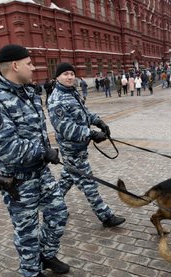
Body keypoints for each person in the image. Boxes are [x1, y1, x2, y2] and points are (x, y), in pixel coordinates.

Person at [0, 44, 70, 277]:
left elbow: (36, 131)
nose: (34, 67)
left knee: (59, 213)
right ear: (15, 66)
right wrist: (44, 151)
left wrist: (44, 151)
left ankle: (46, 255)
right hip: (17, 180)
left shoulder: (27, 92)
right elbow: (6, 148)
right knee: (27, 229)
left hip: (40, 172)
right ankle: (31, 273)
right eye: (29, 63)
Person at [47, 62, 126, 229]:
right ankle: (105, 216)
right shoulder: (56, 99)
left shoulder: (71, 92)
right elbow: (66, 128)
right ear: (57, 77)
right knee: (89, 183)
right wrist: (91, 134)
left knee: (66, 179)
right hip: (72, 150)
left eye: (72, 73)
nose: (70, 77)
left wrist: (99, 121)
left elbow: (84, 112)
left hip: (79, 148)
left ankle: (52, 206)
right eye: (65, 74)